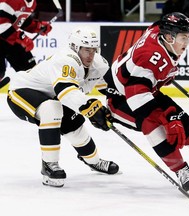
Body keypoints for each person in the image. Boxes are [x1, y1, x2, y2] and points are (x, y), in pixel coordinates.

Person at [103, 12, 189, 192]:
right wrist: (167, 119)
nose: (187, 42)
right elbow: (136, 97)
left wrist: (164, 80)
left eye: (188, 36)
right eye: (183, 37)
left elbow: (159, 25)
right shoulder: (149, 57)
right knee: (153, 127)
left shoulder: (162, 35)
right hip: (121, 99)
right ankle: (180, 169)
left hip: (145, 90)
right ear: (169, 37)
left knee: (186, 125)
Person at [7, 26, 119, 187]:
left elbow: (110, 88)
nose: (91, 55)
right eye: (87, 50)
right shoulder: (66, 59)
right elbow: (65, 92)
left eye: (94, 50)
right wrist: (91, 107)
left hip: (54, 97)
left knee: (75, 127)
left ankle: (94, 161)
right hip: (21, 91)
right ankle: (49, 165)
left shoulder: (98, 64)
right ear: (75, 47)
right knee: (51, 109)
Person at [0, 0, 52, 88]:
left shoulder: (32, 3)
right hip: (4, 36)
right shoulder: (10, 1)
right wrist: (22, 37)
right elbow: (1, 25)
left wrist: (38, 26)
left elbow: (20, 21)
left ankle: (34, 92)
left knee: (30, 70)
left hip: (9, 38)